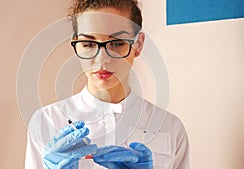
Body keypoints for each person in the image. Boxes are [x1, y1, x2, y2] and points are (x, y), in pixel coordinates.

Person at [25, 0, 190, 168]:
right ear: (76, 43)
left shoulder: (170, 127)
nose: (102, 59)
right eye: (88, 44)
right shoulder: (46, 121)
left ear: (138, 44)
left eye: (117, 43)